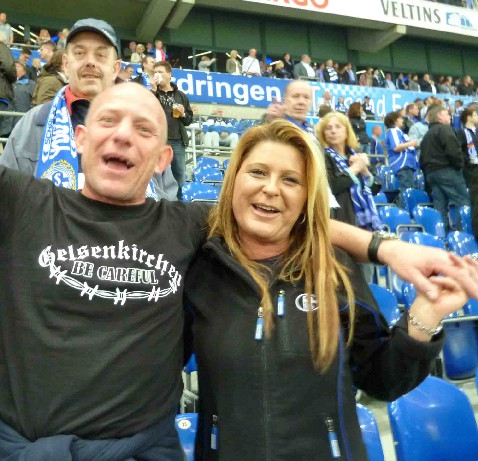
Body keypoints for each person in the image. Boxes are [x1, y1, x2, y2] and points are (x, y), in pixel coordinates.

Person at [0, 78, 478, 461]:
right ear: (80, 138)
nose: (122, 137)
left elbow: (290, 218)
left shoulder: (187, 225)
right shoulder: (16, 201)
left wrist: (388, 249)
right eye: (108, 121)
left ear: (162, 159)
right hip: (31, 450)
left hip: (143, 451)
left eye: (143, 129)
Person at [184, 119, 470, 460]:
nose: (271, 188)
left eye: (290, 179)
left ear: (307, 197)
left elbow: (382, 380)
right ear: (234, 180)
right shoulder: (200, 267)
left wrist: (427, 313)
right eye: (258, 172)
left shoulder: (336, 270)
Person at [1, 18, 177, 203]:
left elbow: (167, 201)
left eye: (100, 55)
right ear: (66, 64)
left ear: (115, 68)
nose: (90, 62)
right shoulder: (34, 123)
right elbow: (7, 198)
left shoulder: (146, 128)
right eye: (79, 53)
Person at [316, 112, 382, 281]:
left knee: (365, 281)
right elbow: (332, 187)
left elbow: (375, 188)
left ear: (347, 131)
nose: (333, 131)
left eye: (338, 127)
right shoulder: (322, 156)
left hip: (364, 226)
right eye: (328, 128)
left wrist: (365, 170)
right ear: (323, 134)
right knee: (344, 280)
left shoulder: (356, 154)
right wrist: (355, 169)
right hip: (341, 224)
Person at [420, 105, 470, 232]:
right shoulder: (445, 129)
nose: (450, 116)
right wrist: (460, 165)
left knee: (440, 207)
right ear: (439, 117)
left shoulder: (426, 136)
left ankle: (442, 236)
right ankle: (463, 234)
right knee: (462, 202)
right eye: (447, 114)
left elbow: (421, 158)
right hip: (448, 172)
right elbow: (453, 151)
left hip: (431, 174)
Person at [152, 60, 193, 199]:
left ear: (169, 74)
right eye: (155, 72)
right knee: (157, 175)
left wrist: (183, 114)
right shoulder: (152, 93)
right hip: (158, 140)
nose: (157, 75)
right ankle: (161, 204)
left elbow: (189, 120)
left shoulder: (180, 95)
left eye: (160, 72)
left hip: (177, 141)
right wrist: (153, 90)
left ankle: (179, 205)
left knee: (179, 175)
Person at [384, 110, 419, 191]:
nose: (402, 120)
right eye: (400, 118)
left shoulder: (400, 132)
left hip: (408, 165)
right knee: (407, 190)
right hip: (402, 164)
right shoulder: (393, 131)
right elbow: (396, 147)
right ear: (395, 120)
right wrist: (411, 143)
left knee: (410, 190)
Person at [458, 107, 478, 240]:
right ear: (469, 117)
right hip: (471, 170)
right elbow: (459, 151)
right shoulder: (461, 132)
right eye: (475, 115)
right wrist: (468, 162)